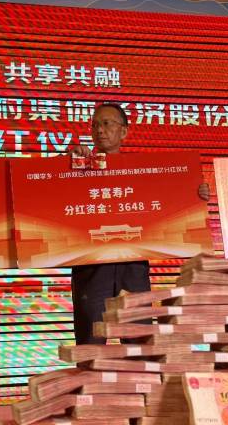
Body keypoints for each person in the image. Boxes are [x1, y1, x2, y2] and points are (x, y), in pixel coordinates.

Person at [70, 102, 152, 344]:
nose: (99, 130)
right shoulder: (78, 167)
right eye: (95, 125)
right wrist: (66, 162)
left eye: (107, 124)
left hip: (133, 266)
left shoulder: (142, 172)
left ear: (124, 131)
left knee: (139, 344)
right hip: (91, 267)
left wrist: (195, 193)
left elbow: (168, 202)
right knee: (91, 344)